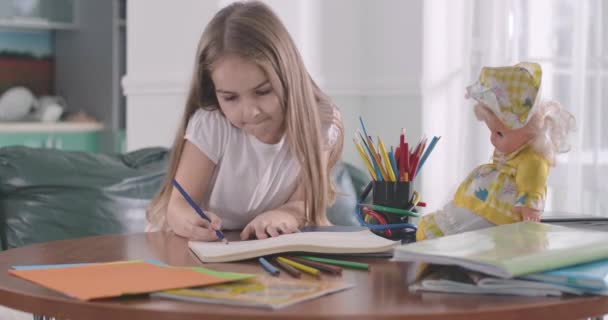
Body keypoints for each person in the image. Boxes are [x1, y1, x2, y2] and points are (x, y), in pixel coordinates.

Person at [146, 1, 344, 241]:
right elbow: (178, 207)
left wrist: (283, 215)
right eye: (230, 98)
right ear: (214, 91)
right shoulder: (212, 124)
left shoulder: (320, 123)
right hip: (187, 249)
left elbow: (305, 203)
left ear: (288, 75)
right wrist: (192, 223)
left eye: (263, 92)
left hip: (254, 250)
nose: (249, 112)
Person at [416, 62, 575, 240]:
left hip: (498, 214)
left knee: (469, 228)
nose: (492, 139)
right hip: (486, 206)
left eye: (499, 133)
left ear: (527, 130)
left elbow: (532, 186)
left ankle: (441, 237)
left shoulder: (533, 160)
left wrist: (529, 210)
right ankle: (438, 232)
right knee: (462, 220)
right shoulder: (513, 152)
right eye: (491, 131)